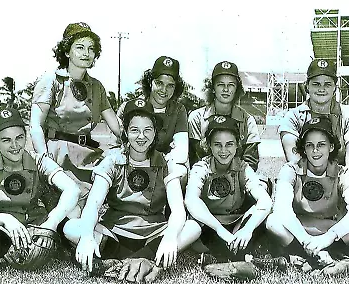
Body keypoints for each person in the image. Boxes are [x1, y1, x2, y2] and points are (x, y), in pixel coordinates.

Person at [63, 99, 196, 283]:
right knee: (71, 227)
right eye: (135, 130)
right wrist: (86, 236)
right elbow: (93, 204)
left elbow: (178, 210)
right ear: (125, 131)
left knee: (193, 227)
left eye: (148, 130)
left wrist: (170, 237)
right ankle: (146, 261)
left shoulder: (166, 163)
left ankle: (126, 260)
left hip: (153, 234)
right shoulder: (112, 160)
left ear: (155, 132)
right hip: (115, 233)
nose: (141, 136)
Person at [29, 22, 122, 212]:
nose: (86, 53)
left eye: (91, 48)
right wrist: (45, 162)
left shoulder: (97, 87)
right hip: (57, 157)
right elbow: (35, 126)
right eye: (79, 47)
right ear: (66, 51)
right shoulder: (51, 81)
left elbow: (116, 125)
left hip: (88, 156)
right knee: (73, 211)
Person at [267, 117, 349, 275]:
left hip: (329, 227)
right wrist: (306, 240)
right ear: (303, 148)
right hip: (300, 228)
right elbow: (282, 210)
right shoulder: (291, 170)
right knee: (273, 222)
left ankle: (314, 254)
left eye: (321, 144)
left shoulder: (342, 173)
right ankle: (321, 255)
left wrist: (328, 237)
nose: (315, 151)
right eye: (310, 145)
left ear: (331, 146)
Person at [0, 108, 81, 274]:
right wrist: (5, 219)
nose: (15, 146)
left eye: (19, 138)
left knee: (74, 211)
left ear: (25, 136)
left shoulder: (38, 160)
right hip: (3, 230)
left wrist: (51, 223)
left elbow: (73, 189)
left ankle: (59, 246)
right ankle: (1, 254)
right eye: (6, 140)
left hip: (38, 226)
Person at [184, 115, 273, 277]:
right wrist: (219, 230)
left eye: (229, 144)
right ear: (208, 145)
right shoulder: (202, 167)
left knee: (259, 214)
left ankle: (222, 258)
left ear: (238, 144)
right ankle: (233, 258)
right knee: (192, 229)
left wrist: (247, 229)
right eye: (217, 145)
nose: (224, 151)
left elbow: (265, 201)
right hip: (209, 225)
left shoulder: (242, 167)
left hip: (236, 224)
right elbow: (191, 199)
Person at [278, 59, 349, 182]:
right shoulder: (293, 117)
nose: (322, 89)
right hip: (304, 187)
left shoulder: (348, 116)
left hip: (340, 184)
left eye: (327, 84)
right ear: (307, 86)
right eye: (316, 84)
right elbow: (296, 165)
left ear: (334, 88)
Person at [116, 56, 189, 186]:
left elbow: (181, 152)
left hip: (162, 166)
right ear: (150, 82)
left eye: (170, 85)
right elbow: (114, 145)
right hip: (132, 163)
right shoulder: (130, 107)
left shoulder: (178, 110)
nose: (164, 90)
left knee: (180, 171)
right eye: (159, 83)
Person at [188, 60, 261, 170]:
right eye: (221, 84)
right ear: (212, 88)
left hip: (237, 178)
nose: (226, 89)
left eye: (231, 85)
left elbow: (251, 161)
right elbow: (195, 159)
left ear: (237, 88)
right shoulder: (196, 118)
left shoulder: (247, 120)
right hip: (205, 177)